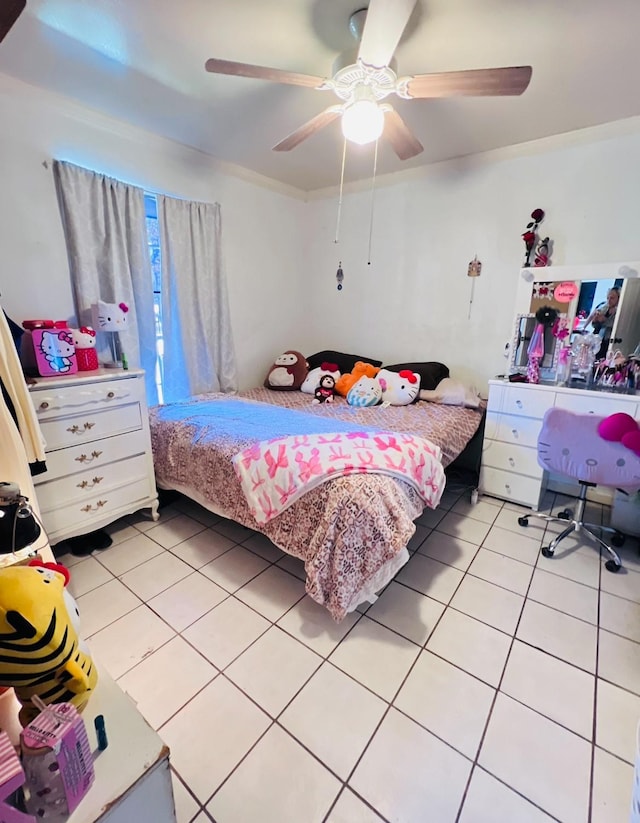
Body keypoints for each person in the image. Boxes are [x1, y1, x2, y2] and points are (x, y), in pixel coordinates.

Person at [585, 287, 620, 358]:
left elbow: (616, 325)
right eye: (608, 298)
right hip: (597, 339)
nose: (609, 300)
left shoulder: (620, 310)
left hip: (608, 340)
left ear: (619, 298)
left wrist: (604, 320)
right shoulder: (603, 307)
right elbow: (595, 326)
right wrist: (595, 321)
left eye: (612, 298)